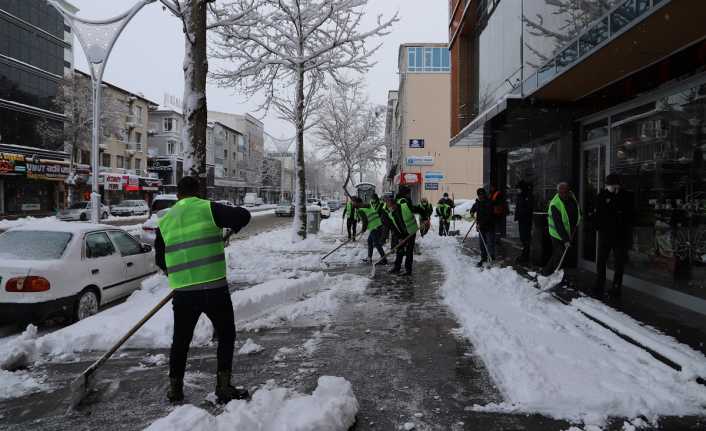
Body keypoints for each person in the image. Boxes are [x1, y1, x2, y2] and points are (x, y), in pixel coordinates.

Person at [155, 176, 251, 404]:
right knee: (226, 335)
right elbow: (244, 215)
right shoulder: (208, 208)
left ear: (178, 195)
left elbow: (161, 260)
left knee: (180, 341)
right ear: (198, 192)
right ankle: (223, 386)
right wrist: (232, 226)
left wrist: (181, 275)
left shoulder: (165, 221)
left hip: (183, 293)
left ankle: (175, 389)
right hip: (214, 289)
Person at [594, 173, 634, 297]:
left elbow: (628, 215)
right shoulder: (602, 195)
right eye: (609, 186)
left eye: (613, 186)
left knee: (619, 263)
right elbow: (599, 213)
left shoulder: (626, 196)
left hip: (620, 235)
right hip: (605, 235)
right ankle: (599, 284)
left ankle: (616, 287)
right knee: (601, 261)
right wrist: (598, 227)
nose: (611, 188)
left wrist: (615, 198)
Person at [541, 182, 581, 276]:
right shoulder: (555, 204)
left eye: (566, 191)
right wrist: (566, 240)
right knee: (559, 253)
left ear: (568, 191)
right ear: (558, 192)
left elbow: (577, 209)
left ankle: (551, 271)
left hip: (569, 231)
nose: (564, 194)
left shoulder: (572, 198)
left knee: (561, 254)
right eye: (562, 192)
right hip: (556, 233)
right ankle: (551, 272)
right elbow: (558, 225)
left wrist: (579, 217)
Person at [385, 194, 425, 276]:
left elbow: (420, 210)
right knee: (399, 249)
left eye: (390, 206)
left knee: (409, 251)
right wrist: (400, 237)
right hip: (402, 233)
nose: (389, 208)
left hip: (411, 231)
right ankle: (397, 267)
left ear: (394, 204)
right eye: (388, 206)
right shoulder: (392, 214)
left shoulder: (405, 206)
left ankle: (408, 270)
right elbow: (394, 228)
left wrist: (425, 218)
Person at [356, 197, 391, 264]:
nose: (352, 204)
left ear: (357, 203)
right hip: (378, 225)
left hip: (374, 227)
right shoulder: (369, 206)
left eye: (353, 202)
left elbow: (365, 221)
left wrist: (363, 229)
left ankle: (384, 259)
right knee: (369, 241)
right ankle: (369, 258)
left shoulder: (361, 210)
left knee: (377, 244)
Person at [470, 188, 496, 267]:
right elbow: (473, 208)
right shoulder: (477, 202)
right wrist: (472, 212)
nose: (481, 196)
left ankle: (491, 258)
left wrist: (480, 224)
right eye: (479, 195)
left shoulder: (489, 203)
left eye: (482, 194)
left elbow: (488, 216)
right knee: (482, 244)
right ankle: (483, 258)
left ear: (484, 194)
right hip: (481, 228)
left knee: (490, 243)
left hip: (489, 226)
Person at [514, 181, 534, 263]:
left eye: (518, 188)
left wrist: (521, 214)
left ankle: (525, 256)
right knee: (523, 238)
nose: (517, 190)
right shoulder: (521, 196)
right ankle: (524, 255)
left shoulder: (527, 196)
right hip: (522, 220)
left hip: (526, 220)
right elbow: (518, 207)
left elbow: (528, 209)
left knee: (525, 239)